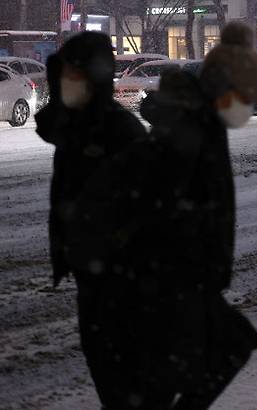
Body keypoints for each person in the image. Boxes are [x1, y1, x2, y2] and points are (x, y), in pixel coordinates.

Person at [68, 22, 257, 409]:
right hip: (155, 291)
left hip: (161, 287)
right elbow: (163, 212)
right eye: (245, 96)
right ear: (225, 91)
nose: (248, 106)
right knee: (196, 366)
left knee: (206, 361)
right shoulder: (188, 136)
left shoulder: (197, 128)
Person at [34, 32, 147, 409]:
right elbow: (49, 122)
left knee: (118, 367)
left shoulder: (113, 129)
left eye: (72, 74)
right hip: (97, 264)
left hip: (119, 269)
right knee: (109, 362)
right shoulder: (82, 124)